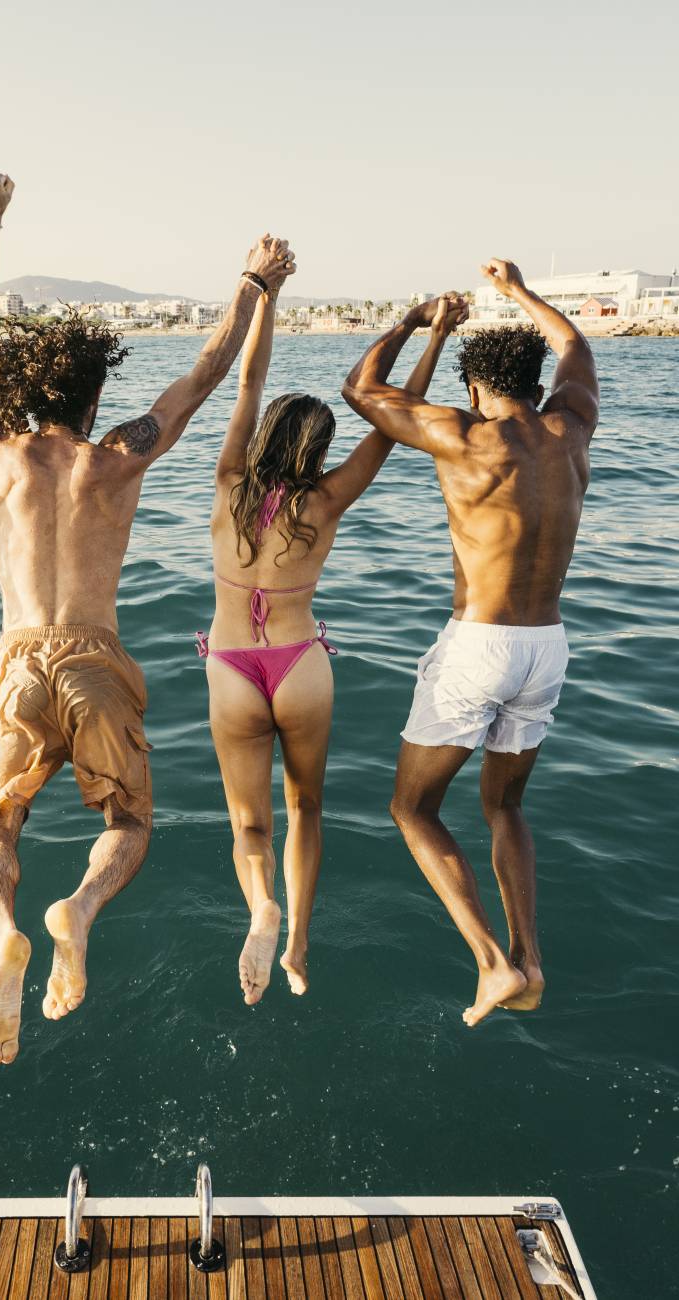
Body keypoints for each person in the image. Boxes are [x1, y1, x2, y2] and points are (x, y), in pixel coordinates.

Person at [0, 165, 295, 1063]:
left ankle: (3, 937)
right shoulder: (117, 455)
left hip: (17, 656)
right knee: (128, 823)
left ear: (28, 387)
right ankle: (79, 909)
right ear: (93, 394)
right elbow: (206, 372)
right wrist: (254, 281)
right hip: (96, 655)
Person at [342, 260, 599, 1026]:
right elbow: (575, 347)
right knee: (504, 806)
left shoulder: (463, 436)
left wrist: (416, 318)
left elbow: (360, 389)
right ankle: (528, 959)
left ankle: (490, 963)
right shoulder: (570, 426)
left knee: (412, 807)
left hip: (479, 647)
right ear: (534, 383)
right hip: (546, 645)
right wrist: (519, 292)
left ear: (476, 387)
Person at [201, 287, 466, 1005]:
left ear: (264, 439)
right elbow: (394, 421)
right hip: (300, 667)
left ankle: (261, 906)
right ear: (317, 451)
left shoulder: (227, 485)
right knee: (306, 810)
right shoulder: (327, 500)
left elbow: (248, 382)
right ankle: (295, 945)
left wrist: (267, 292)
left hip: (231, 667)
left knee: (249, 822)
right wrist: (430, 336)